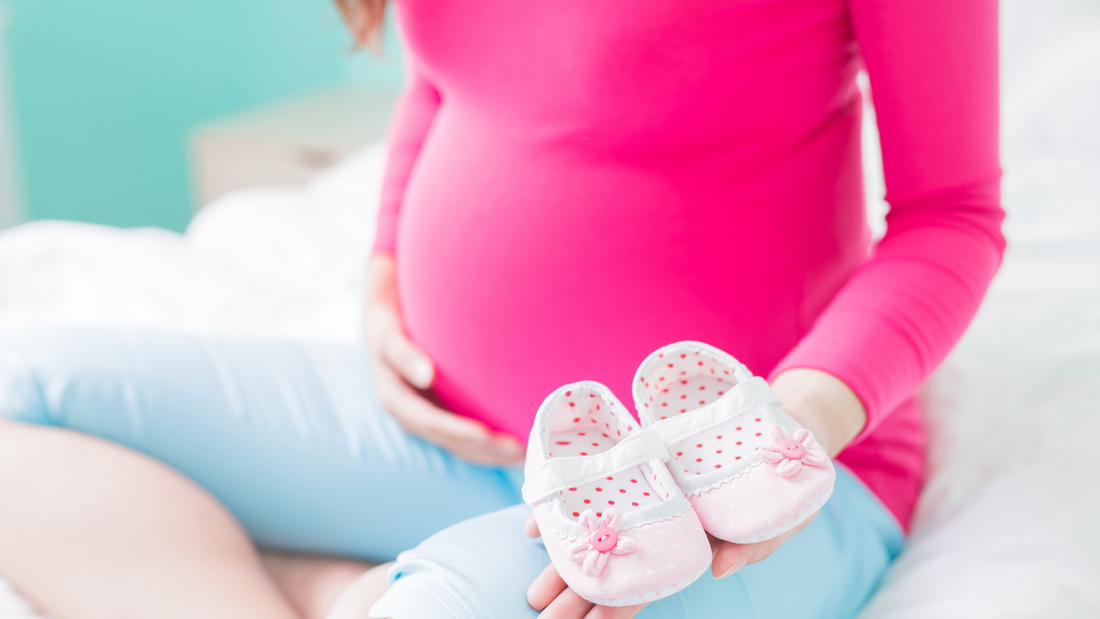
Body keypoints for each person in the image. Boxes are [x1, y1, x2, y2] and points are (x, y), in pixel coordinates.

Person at [0, 0, 1003, 617]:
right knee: (17, 393)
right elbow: (442, 83)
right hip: (455, 429)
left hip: (703, 493)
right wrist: (385, 269)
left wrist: (786, 425)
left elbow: (949, 217)